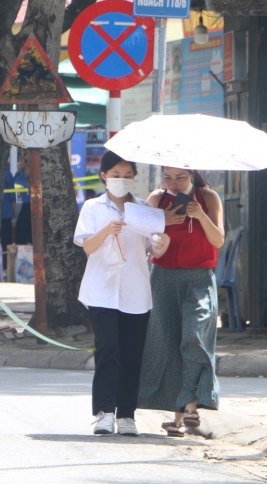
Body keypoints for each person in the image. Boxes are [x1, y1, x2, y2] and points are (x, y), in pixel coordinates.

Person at [74, 151, 171, 436]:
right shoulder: (93, 207)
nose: (122, 181)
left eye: (128, 176)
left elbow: (153, 250)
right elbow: (88, 247)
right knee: (107, 349)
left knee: (132, 353)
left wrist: (162, 244)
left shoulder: (143, 210)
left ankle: (126, 414)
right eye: (116, 175)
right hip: (101, 292)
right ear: (104, 176)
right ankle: (104, 412)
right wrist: (106, 230)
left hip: (135, 293)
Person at [139, 166, 225, 438]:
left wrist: (200, 215)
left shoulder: (208, 197)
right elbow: (142, 241)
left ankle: (192, 403)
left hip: (199, 277)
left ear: (192, 175)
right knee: (168, 343)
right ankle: (181, 414)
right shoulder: (157, 199)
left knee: (193, 336)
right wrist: (160, 221)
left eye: (180, 177)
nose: (173, 183)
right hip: (163, 278)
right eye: (167, 177)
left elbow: (218, 239)